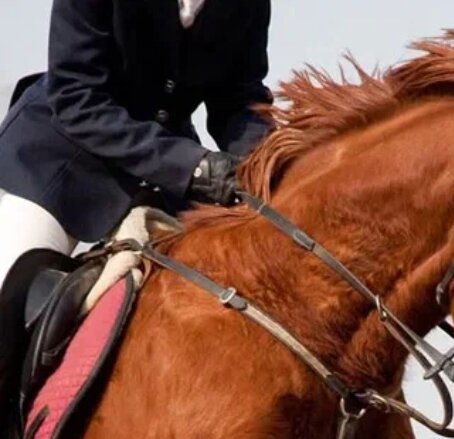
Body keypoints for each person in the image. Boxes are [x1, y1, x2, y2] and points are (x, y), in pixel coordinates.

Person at [0, 0, 273, 291]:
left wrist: (273, 162)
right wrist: (193, 166)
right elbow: (75, 98)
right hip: (58, 164)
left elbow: (238, 100)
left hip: (163, 178)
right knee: (7, 287)